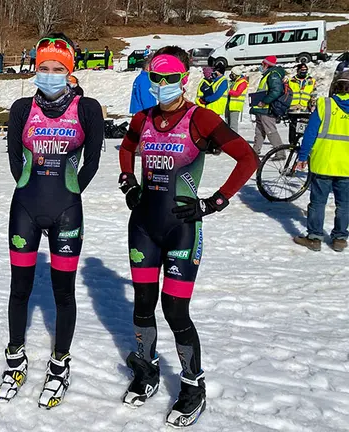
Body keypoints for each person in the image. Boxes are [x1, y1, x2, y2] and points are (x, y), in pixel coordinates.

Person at [117, 46, 257, 427]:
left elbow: (247, 158)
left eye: (170, 78)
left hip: (183, 227)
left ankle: (193, 385)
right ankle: (146, 370)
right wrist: (128, 181)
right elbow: (127, 148)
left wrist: (215, 202)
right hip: (144, 226)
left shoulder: (202, 118)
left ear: (184, 78)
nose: (162, 85)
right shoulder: (143, 118)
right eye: (156, 78)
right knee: (143, 304)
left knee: (175, 310)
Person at [0, 33, 104, 408]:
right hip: (25, 207)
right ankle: (15, 357)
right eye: (44, 68)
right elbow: (13, 158)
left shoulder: (87, 108)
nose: (50, 74)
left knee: (63, 292)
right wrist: (29, 186)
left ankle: (60, 364)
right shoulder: (21, 107)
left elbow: (92, 161)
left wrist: (71, 191)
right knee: (19, 290)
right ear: (35, 69)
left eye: (58, 68)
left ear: (70, 71)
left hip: (66, 210)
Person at [293, 72, 349, 253]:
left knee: (318, 202)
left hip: (323, 161)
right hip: (346, 166)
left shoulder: (325, 105)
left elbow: (310, 133)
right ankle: (340, 238)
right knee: (345, 203)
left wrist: (302, 156)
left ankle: (315, 237)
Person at [251, 56, 285, 157]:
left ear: (266, 64)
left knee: (270, 130)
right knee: (259, 130)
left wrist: (265, 101)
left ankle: (280, 152)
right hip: (261, 108)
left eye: (262, 64)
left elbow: (276, 91)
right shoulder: (268, 75)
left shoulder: (273, 75)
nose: (261, 66)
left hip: (267, 108)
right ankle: (255, 151)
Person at [226, 66, 248, 133]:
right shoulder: (235, 82)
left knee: (233, 125)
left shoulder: (242, 82)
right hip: (229, 105)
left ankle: (233, 139)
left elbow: (237, 93)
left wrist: (229, 91)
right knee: (227, 124)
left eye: (232, 74)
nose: (231, 75)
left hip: (235, 106)